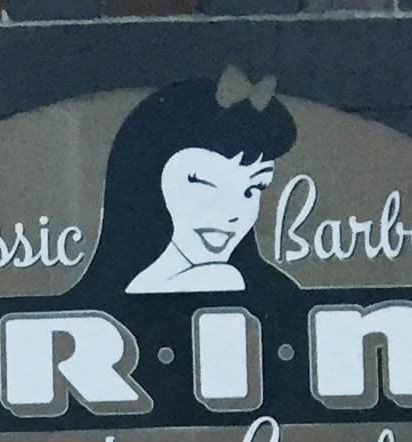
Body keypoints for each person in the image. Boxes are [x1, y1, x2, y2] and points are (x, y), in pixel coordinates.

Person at [78, 71, 301, 298]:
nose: (230, 214)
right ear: (145, 182)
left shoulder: (273, 290)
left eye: (251, 190)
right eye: (203, 183)